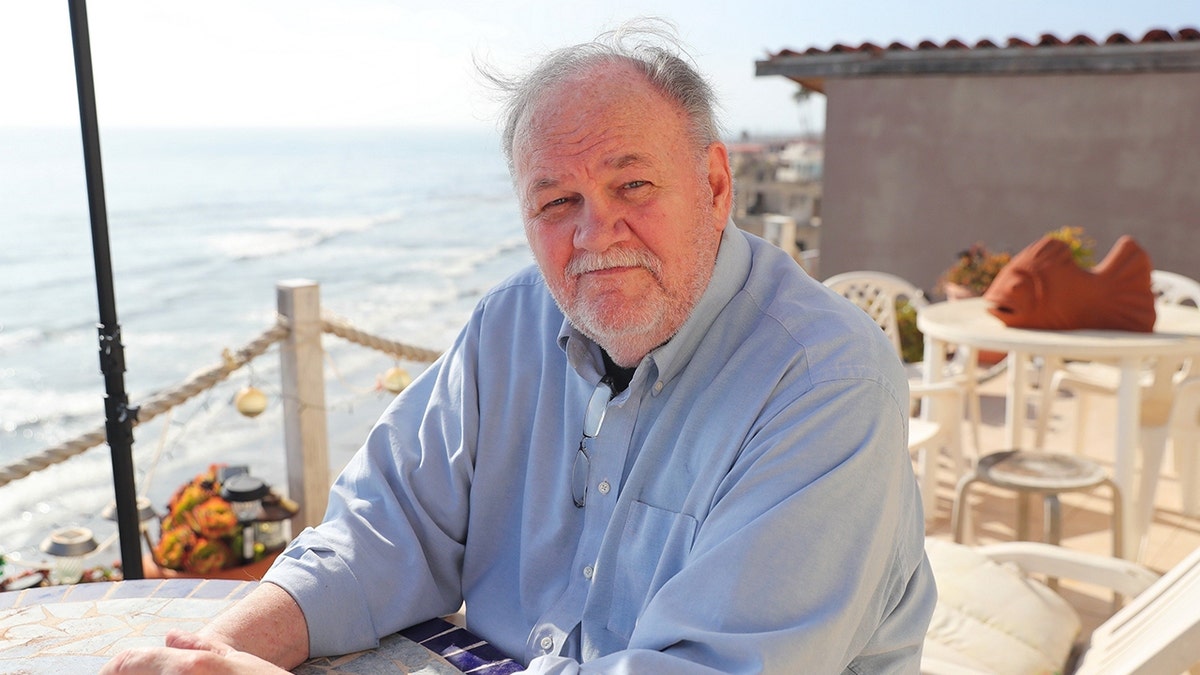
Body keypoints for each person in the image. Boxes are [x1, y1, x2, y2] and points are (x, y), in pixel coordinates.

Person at [103, 20, 935, 674]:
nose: (595, 232)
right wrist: (223, 648)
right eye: (556, 201)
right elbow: (385, 526)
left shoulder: (826, 380)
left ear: (715, 186)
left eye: (632, 184)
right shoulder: (509, 326)